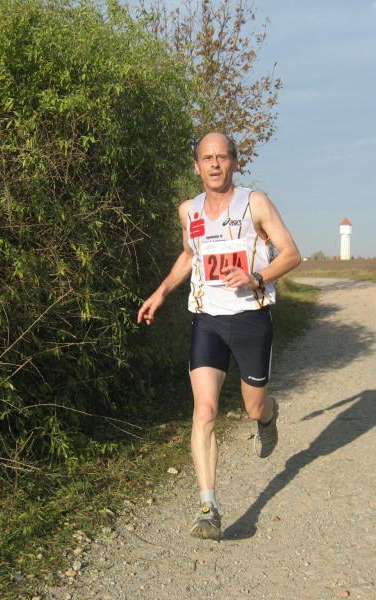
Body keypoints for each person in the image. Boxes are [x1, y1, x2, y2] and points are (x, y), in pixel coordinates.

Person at [137, 132, 301, 541]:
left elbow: (291, 253)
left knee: (253, 407)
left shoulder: (254, 203)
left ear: (235, 163)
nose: (215, 164)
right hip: (207, 319)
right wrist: (160, 293)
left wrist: (256, 276)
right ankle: (208, 507)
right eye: (207, 158)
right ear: (196, 166)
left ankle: (268, 416)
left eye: (222, 157)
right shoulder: (188, 210)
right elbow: (189, 255)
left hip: (250, 319)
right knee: (205, 411)